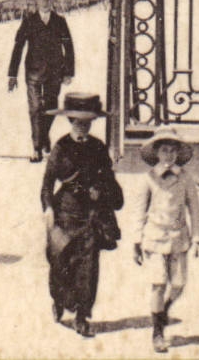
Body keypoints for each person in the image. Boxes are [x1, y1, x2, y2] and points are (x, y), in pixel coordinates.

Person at [41, 92, 123, 339]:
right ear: (70, 122)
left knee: (88, 267)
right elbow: (47, 183)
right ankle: (59, 299)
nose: (83, 127)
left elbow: (109, 179)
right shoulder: (61, 147)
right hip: (65, 214)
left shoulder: (98, 147)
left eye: (87, 122)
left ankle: (82, 316)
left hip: (90, 215)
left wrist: (102, 192)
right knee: (60, 263)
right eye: (78, 122)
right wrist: (48, 208)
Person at [132, 126, 199, 355]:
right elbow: (140, 211)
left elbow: (195, 209)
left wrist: (197, 237)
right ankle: (158, 331)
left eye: (173, 150)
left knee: (179, 284)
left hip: (179, 238)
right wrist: (136, 240)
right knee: (158, 283)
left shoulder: (185, 178)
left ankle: (163, 312)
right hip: (154, 237)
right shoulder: (149, 178)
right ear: (157, 153)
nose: (169, 155)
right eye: (164, 150)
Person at [7, 0, 76, 162]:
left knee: (51, 108)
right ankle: (37, 147)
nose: (45, 2)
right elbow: (18, 47)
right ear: (36, 0)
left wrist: (69, 72)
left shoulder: (60, 22)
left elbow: (68, 47)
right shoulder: (28, 21)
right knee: (36, 108)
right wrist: (12, 74)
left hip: (55, 73)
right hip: (33, 73)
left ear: (53, 1)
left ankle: (43, 135)